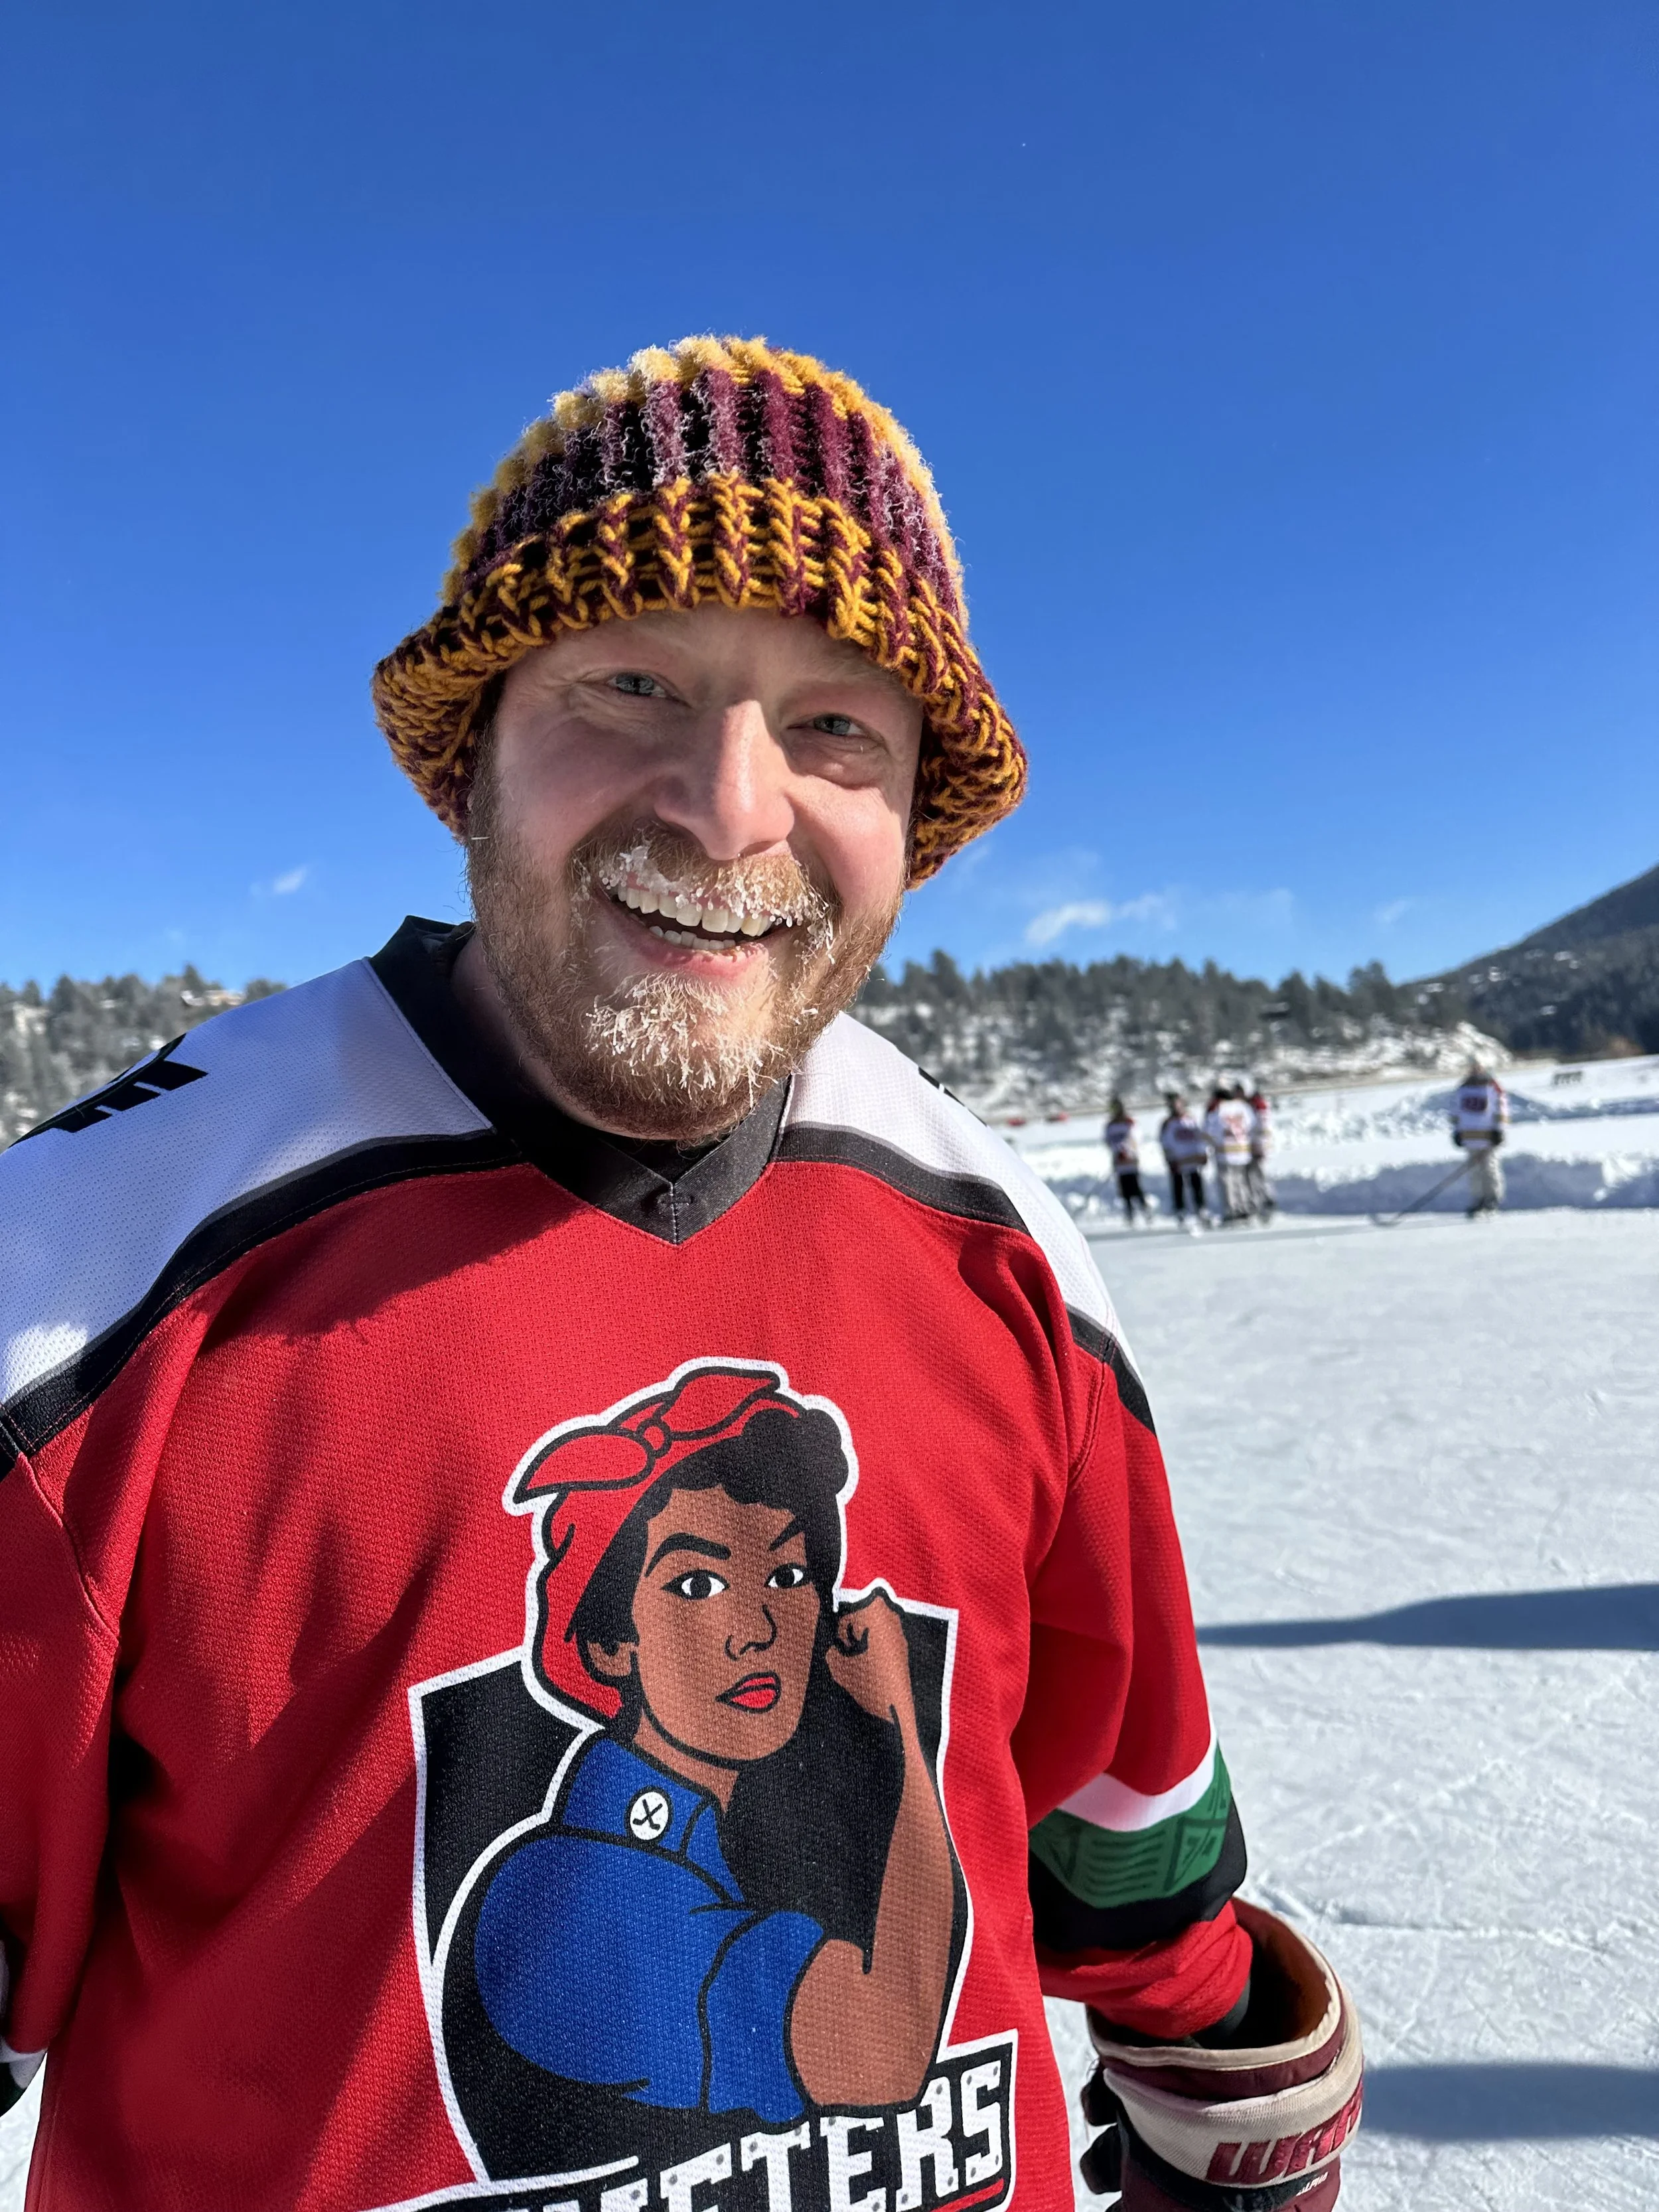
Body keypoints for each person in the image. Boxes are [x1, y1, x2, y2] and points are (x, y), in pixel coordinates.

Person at [0, 338, 1359, 2212]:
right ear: (468, 747)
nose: (727, 811)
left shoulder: (997, 1244)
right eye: (629, 685)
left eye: (835, 728)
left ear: (910, 820)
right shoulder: (87, 1287)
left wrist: (1219, 2049)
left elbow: (1112, 1814)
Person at [1452, 1061, 1509, 1217]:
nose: (1475, 1070)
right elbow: (1457, 1112)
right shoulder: (1463, 1088)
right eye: (1472, 1067)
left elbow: (1501, 1109)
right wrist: (1457, 1131)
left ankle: (1492, 1198)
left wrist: (1499, 1131)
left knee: (1489, 1168)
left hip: (1488, 1137)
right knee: (1474, 1171)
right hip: (1470, 1137)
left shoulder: (1492, 1086)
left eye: (1478, 1067)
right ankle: (1478, 1199)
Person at [1158, 1090, 1210, 1230]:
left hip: (1192, 1158)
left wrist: (1203, 1153)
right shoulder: (1168, 1123)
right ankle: (1180, 1211)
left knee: (1196, 1183)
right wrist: (1169, 1159)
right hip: (1178, 1160)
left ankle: (1201, 1209)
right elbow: (1165, 1143)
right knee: (1178, 1185)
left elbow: (1200, 1138)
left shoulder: (1191, 1120)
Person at [1206, 1084, 1256, 1224]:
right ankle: (1245, 1208)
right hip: (1242, 1150)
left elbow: (1210, 1130)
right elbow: (1251, 1123)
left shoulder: (1219, 1109)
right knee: (1241, 1182)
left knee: (1228, 1184)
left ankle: (1232, 1211)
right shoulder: (1243, 1107)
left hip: (1225, 1152)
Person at [1103, 1094, 1148, 1226]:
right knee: (1124, 1188)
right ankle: (1130, 1213)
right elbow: (1108, 1141)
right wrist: (1117, 1152)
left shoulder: (1130, 1123)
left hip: (1130, 1161)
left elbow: (1136, 1139)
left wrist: (1128, 1150)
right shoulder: (1110, 1126)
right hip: (1119, 1161)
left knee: (1136, 1186)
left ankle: (1144, 1210)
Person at [1246, 1081, 1275, 1219]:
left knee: (1258, 1175)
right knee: (1253, 1175)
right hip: (1253, 1146)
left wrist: (1259, 1145)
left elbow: (1263, 1128)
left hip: (1257, 1147)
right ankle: (1259, 1201)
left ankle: (1265, 1200)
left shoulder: (1259, 1106)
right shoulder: (1254, 1105)